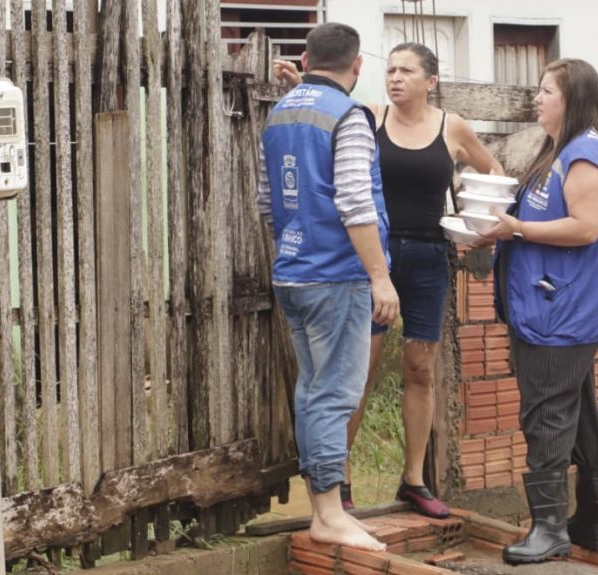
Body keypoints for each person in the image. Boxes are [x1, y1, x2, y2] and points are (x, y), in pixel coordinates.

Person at [275, 43, 504, 518]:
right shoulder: (369, 116)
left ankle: (413, 481)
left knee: (420, 369)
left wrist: (483, 221)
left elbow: (494, 171)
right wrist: (301, 88)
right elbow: (328, 114)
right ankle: (340, 483)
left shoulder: (452, 127)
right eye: (390, 69)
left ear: (430, 81)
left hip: (428, 255)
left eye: (407, 71)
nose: (395, 78)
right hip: (374, 257)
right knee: (358, 371)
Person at [258, 22, 399, 552]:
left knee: (313, 389)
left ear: (305, 56)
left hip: (293, 271)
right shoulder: (349, 117)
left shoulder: (281, 112)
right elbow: (355, 203)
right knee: (335, 394)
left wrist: (295, 249)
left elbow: (267, 200)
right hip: (338, 274)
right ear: (357, 65)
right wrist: (380, 277)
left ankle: (327, 509)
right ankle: (328, 513)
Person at [476, 58, 598, 564]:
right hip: (547, 304)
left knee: (546, 416)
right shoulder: (556, 152)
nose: (537, 99)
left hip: (563, 310)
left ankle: (549, 529)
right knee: (576, 414)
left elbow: (586, 227)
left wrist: (515, 230)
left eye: (546, 91)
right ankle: (589, 526)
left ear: (573, 99)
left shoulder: (582, 156)